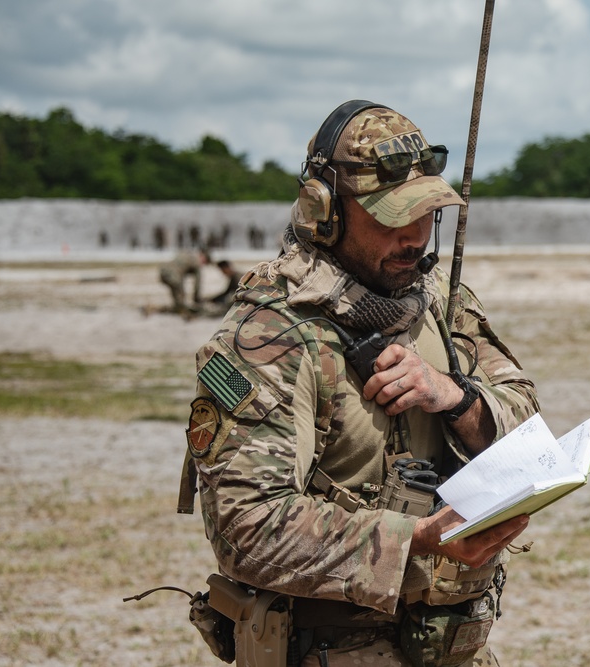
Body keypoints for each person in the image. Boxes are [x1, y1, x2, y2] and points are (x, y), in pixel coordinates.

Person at [180, 101, 539, 667]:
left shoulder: (441, 303)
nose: (416, 237)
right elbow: (246, 529)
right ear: (324, 210)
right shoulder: (269, 336)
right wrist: (418, 539)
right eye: (393, 216)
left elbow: (529, 436)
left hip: (453, 645)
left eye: (427, 214)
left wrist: (455, 396)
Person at [159, 248, 209, 315]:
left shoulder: (188, 254)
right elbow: (197, 284)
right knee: (180, 295)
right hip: (173, 274)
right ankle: (182, 311)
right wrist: (196, 298)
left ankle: (176, 308)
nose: (203, 264)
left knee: (176, 293)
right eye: (205, 262)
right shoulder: (196, 262)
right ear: (203, 257)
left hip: (163, 271)